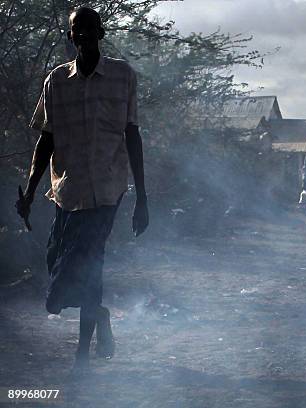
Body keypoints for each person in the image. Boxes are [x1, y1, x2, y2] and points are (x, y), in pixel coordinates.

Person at [14, 7, 148, 372]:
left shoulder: (123, 76)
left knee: (91, 265)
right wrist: (28, 192)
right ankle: (100, 314)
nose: (85, 35)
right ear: (70, 36)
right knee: (56, 277)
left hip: (107, 188)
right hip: (68, 190)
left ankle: (82, 354)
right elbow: (47, 139)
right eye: (78, 29)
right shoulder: (56, 81)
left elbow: (132, 134)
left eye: (91, 28)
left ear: (101, 32)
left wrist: (142, 200)